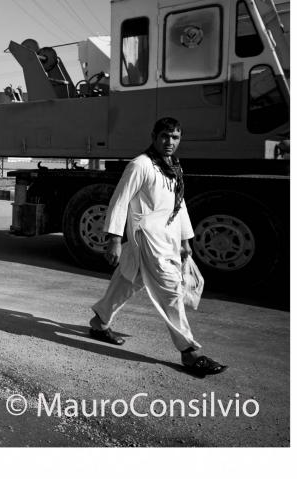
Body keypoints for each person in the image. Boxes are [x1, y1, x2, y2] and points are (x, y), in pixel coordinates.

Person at [87, 117, 227, 377]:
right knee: (171, 291)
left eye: (175, 137)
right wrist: (115, 239)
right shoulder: (140, 165)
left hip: (168, 237)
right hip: (147, 238)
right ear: (153, 136)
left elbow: (179, 203)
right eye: (165, 136)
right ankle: (189, 351)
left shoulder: (172, 166)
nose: (169, 142)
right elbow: (120, 200)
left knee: (128, 280)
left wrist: (185, 239)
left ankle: (100, 321)